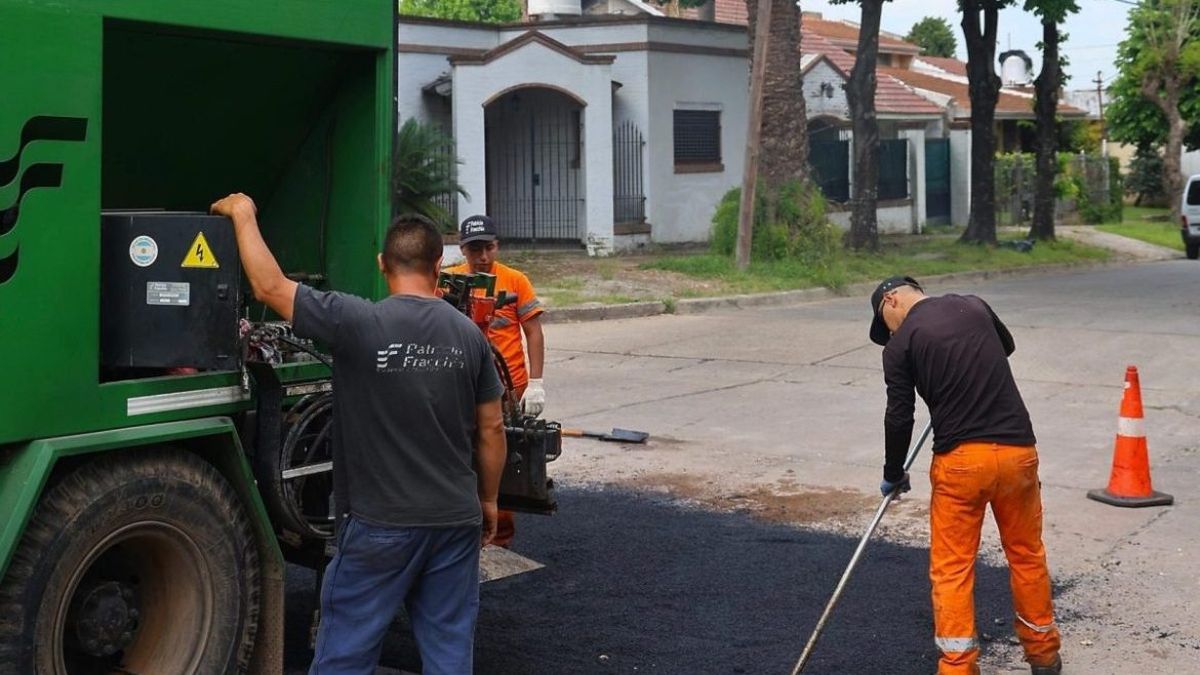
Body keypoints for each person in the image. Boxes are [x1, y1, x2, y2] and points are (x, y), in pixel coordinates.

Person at [210, 193, 507, 675]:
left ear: (381, 264)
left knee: (346, 653)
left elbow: (268, 287)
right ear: (439, 265)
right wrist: (488, 500)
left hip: (380, 524)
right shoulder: (469, 336)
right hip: (455, 521)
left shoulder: (359, 321)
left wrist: (243, 214)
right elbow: (492, 428)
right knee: (450, 652)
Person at [869, 276, 1062, 675]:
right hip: (1017, 454)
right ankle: (1043, 656)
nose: (892, 333)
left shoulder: (901, 345)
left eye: (886, 324)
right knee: (1026, 556)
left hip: (961, 464)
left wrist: (894, 472)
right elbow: (1004, 348)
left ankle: (957, 667)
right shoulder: (973, 305)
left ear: (891, 300)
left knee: (953, 567)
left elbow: (899, 415)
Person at [445, 214, 545, 548]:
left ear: (497, 246)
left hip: (506, 390)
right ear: (462, 250)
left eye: (488, 248)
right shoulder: (447, 282)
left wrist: (536, 381)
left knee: (499, 460)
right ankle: (460, 531)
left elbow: (533, 331)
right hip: (459, 388)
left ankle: (499, 538)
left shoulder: (515, 281)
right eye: (475, 249)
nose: (483, 257)